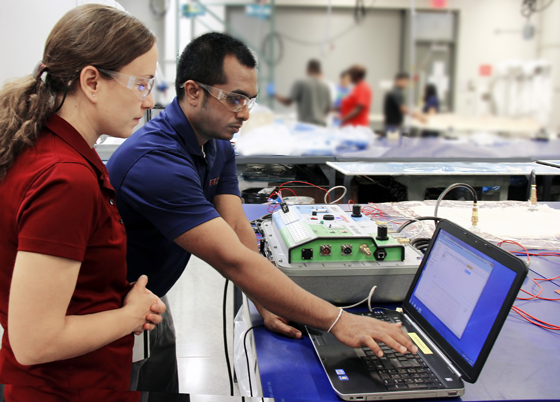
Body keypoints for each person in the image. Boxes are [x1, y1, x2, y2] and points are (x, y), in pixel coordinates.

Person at [107, 32, 417, 395]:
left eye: (249, 101)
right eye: (234, 99)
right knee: (131, 388)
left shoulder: (216, 142)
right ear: (193, 91)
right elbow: (232, 259)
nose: (244, 113)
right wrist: (338, 320)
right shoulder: (155, 161)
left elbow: (237, 226)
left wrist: (265, 300)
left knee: (161, 386)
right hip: (110, 311)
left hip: (150, 297)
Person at [0, 4, 166, 401]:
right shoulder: (65, 179)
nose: (148, 102)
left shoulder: (44, 148)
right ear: (92, 81)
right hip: (66, 389)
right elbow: (34, 341)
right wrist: (130, 315)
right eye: (141, 84)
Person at [271, 59, 332, 126]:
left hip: (305, 126)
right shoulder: (326, 87)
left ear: (308, 69)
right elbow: (328, 109)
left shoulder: (301, 83)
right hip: (321, 127)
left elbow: (288, 102)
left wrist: (273, 94)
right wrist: (318, 116)